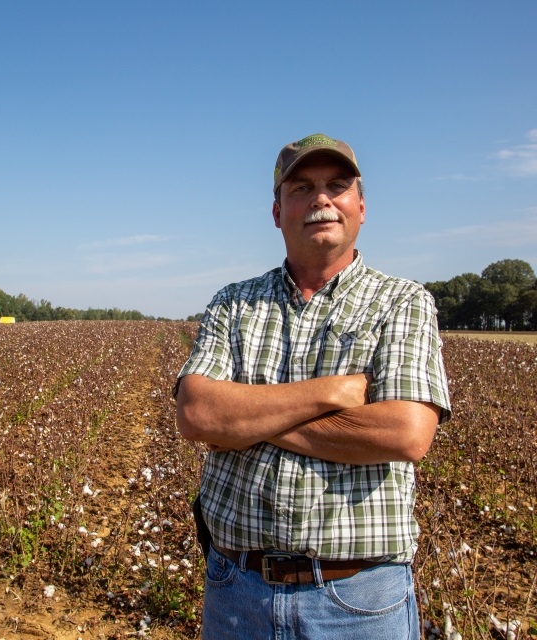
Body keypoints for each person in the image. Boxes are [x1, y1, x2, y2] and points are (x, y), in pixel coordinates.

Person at [174, 133, 451, 639]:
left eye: (336, 185)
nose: (320, 199)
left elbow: (405, 434)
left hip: (358, 600)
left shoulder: (403, 302)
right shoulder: (232, 303)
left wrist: (244, 420)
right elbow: (196, 414)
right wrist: (332, 393)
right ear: (277, 212)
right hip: (237, 590)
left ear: (360, 206)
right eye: (301, 188)